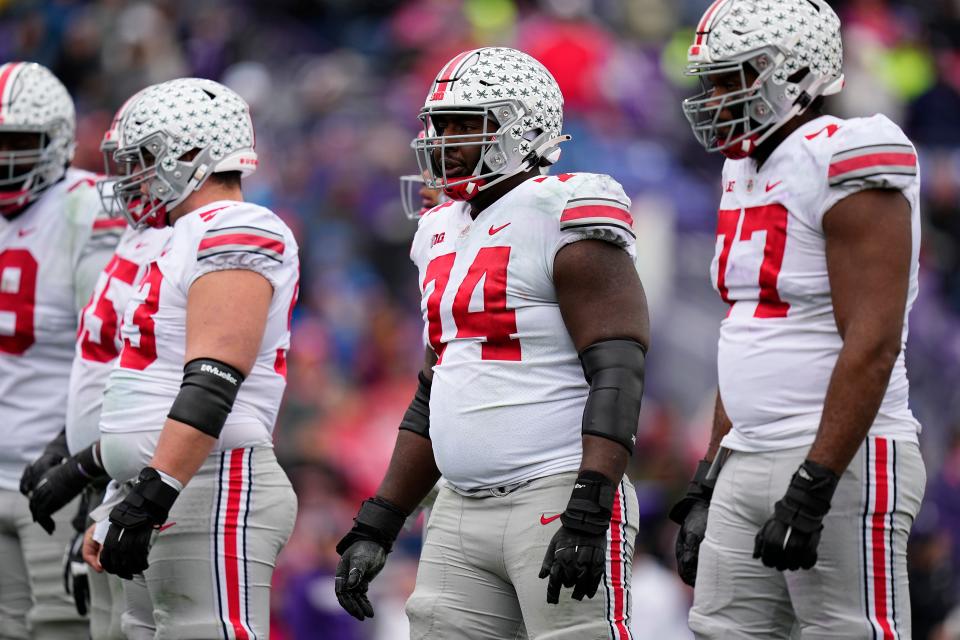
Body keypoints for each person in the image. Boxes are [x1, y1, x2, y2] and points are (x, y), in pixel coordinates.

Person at [334, 46, 650, 639]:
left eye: (466, 124)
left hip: (556, 492)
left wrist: (591, 502)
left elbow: (619, 368)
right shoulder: (438, 230)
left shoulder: (563, 210)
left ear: (522, 126)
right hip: (456, 507)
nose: (444, 139)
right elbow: (438, 389)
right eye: (440, 124)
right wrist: (380, 520)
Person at [668, 1, 926, 638]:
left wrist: (816, 481)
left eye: (734, 78)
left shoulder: (850, 151)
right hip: (748, 453)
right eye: (712, 80)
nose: (715, 96)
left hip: (844, 453)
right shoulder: (741, 169)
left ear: (795, 73)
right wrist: (709, 475)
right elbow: (750, 332)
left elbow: (873, 341)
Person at [86, 77, 300, 639]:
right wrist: (118, 495)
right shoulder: (174, 235)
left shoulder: (238, 226)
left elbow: (213, 377)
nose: (131, 174)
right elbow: (143, 383)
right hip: (162, 482)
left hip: (210, 479)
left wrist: (152, 494)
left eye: (145, 157)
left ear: (190, 155)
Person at [23, 89, 173, 640]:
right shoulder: (135, 237)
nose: (128, 177)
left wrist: (83, 472)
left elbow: (172, 387)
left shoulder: (198, 241)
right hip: (114, 482)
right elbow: (102, 376)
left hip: (167, 483)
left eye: (143, 161)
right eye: (126, 162)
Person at [0, 61, 121, 639]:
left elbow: (111, 351)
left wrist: (89, 484)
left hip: (52, 474)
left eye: (17, 142)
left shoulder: (89, 207)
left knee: (60, 629)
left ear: (58, 140)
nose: (4, 157)